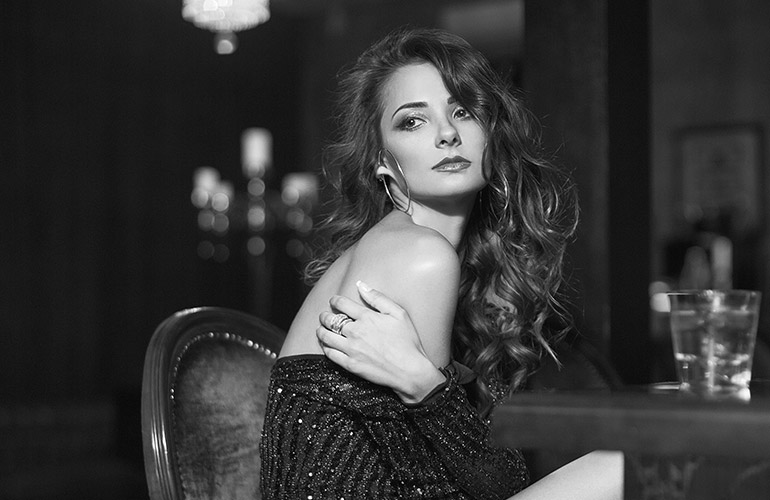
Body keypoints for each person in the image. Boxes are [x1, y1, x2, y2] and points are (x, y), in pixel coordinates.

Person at [259, 26, 622, 499]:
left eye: (463, 111)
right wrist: (426, 386)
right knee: (635, 462)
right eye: (413, 121)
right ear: (381, 161)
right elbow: (467, 487)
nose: (447, 134)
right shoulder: (420, 257)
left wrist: (427, 387)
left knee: (630, 460)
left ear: (491, 135)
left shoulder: (410, 249)